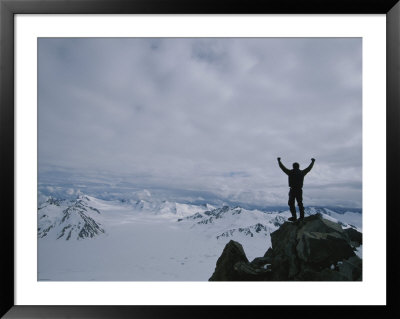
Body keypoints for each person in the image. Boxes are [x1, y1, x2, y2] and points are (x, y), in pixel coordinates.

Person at [277, 157, 315, 221]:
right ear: (298, 166)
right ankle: (302, 217)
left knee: (291, 203)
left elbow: (282, 167)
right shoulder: (302, 172)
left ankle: (294, 217)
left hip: (292, 190)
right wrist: (312, 162)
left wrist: (279, 161)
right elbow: (309, 168)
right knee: (300, 203)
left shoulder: (290, 172)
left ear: (293, 166)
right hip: (299, 190)